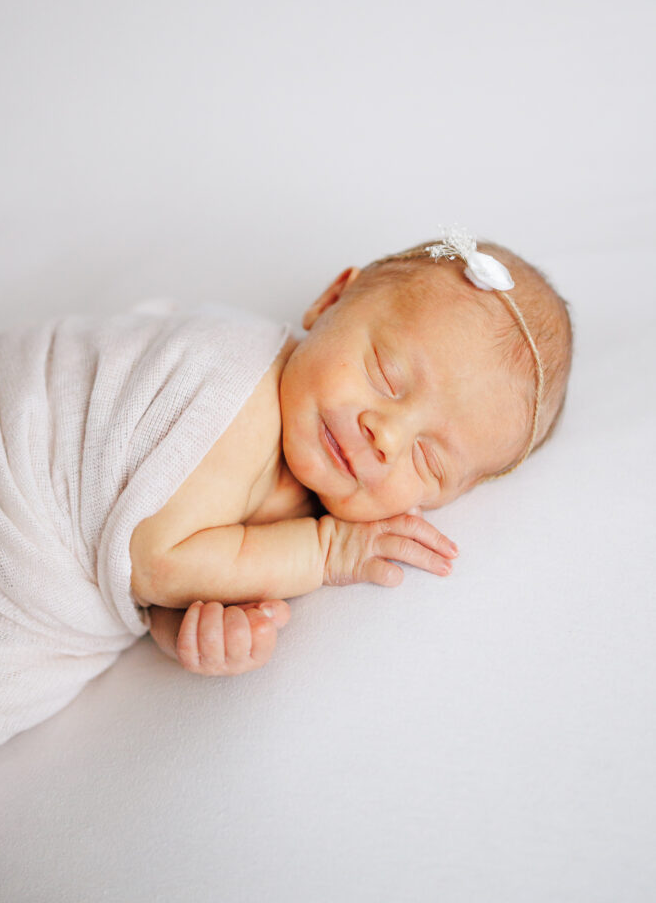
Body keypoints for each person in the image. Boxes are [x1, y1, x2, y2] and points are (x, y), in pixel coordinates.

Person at [132, 229, 573, 678]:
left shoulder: (294, 497)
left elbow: (143, 579)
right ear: (331, 300)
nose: (388, 436)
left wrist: (185, 625)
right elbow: (152, 564)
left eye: (428, 460)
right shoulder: (243, 396)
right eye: (386, 374)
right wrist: (326, 552)